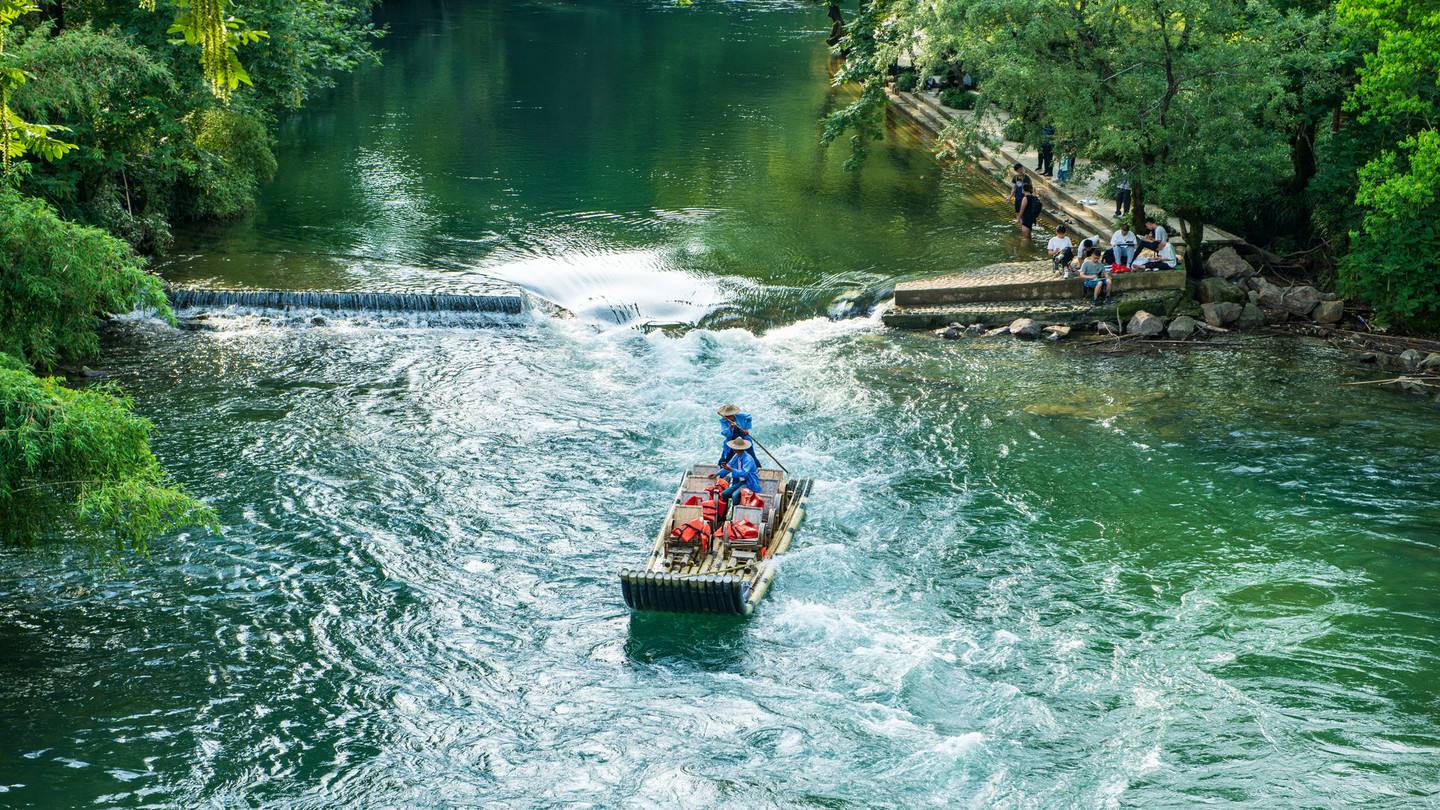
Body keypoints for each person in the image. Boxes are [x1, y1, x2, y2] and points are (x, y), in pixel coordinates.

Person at [718, 437, 761, 517]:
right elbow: (728, 466)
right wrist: (716, 474)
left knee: (735, 495)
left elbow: (744, 473)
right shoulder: (736, 456)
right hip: (741, 482)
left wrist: (731, 469)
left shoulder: (748, 459)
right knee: (724, 494)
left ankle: (735, 515)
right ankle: (722, 515)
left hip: (750, 482)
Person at [715, 404, 759, 470]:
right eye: (727, 416)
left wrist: (746, 428)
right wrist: (730, 427)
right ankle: (721, 470)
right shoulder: (723, 421)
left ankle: (757, 468)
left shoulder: (741, 416)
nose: (728, 417)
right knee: (725, 456)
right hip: (731, 439)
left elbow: (749, 417)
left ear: (733, 414)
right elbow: (725, 433)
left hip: (743, 438)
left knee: (751, 454)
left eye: (730, 415)